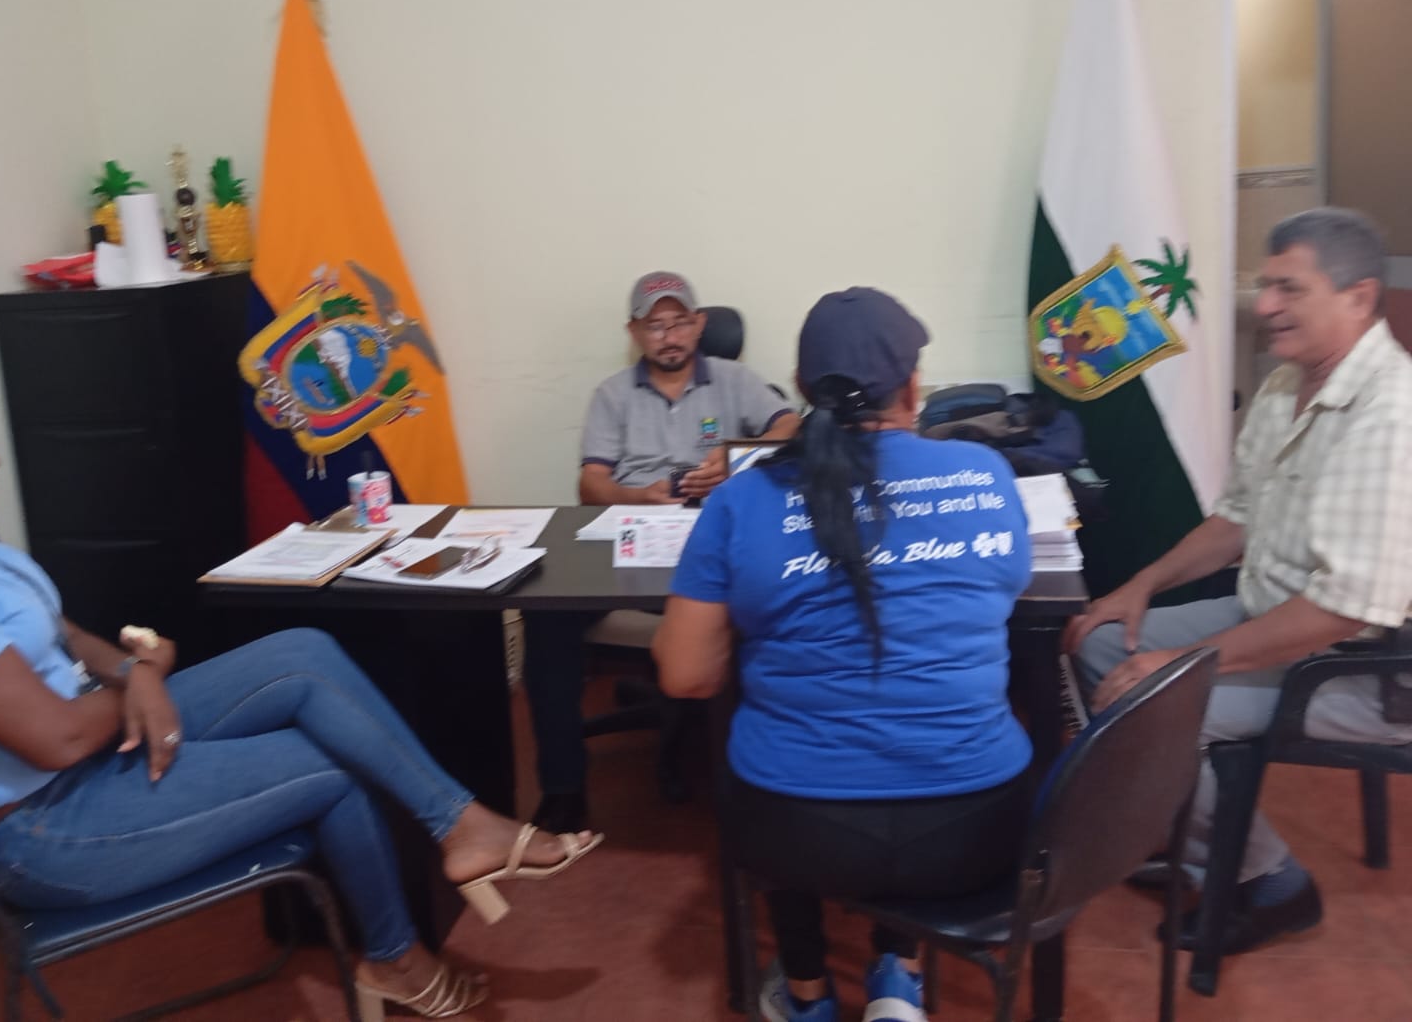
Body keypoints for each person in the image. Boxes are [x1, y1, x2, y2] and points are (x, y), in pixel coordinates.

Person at [0, 333, 601, 1021]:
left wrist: (135, 670)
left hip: (101, 745)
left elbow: (67, 633)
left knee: (302, 652)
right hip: (52, 827)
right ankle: (397, 955)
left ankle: (459, 825)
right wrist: (144, 679)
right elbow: (56, 740)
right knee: (331, 765)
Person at [653, 287, 1033, 1022]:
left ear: (802, 389)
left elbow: (686, 675)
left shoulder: (742, 501)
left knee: (777, 751)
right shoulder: (985, 474)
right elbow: (998, 595)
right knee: (907, 737)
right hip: (974, 830)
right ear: (913, 388)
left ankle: (807, 996)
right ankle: (898, 979)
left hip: (800, 833)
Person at [1065, 207, 1412, 957]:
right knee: (1099, 642)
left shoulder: (1389, 416)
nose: (1265, 305)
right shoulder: (1287, 384)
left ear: (1357, 297)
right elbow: (1236, 520)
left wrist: (1179, 664)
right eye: (1266, 285)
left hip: (1368, 669)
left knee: (1153, 708)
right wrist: (1140, 588)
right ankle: (1190, 836)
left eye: (1289, 289)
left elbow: (1342, 610)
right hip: (1274, 619)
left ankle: (1270, 883)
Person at [524, 271, 799, 833]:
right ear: (635, 332)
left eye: (679, 323)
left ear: (699, 325)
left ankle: (755, 779)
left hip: (713, 535)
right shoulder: (612, 394)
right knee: (546, 616)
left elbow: (790, 424)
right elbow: (591, 484)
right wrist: (638, 495)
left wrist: (737, 459)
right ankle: (563, 788)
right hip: (632, 533)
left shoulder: (733, 379)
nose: (669, 336)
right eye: (655, 325)